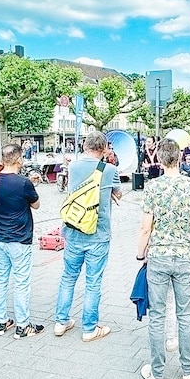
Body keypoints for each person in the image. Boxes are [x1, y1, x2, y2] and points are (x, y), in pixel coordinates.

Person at [136, 138, 190, 379]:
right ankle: (188, 369)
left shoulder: (152, 187)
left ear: (160, 158)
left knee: (157, 315)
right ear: (179, 158)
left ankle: (157, 373)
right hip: (183, 255)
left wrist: (140, 253)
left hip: (158, 255)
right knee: (185, 314)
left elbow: (146, 228)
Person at [55, 131, 122, 342]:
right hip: (98, 234)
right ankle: (89, 328)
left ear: (84, 147)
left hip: (74, 230)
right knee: (93, 282)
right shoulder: (110, 170)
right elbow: (118, 193)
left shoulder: (73, 166)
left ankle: (61, 322)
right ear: (104, 149)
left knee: (68, 277)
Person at [0, 144, 44, 339]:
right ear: (19, 159)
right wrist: (33, 186)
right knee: (21, 282)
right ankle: (22, 325)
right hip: (19, 239)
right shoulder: (23, 183)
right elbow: (36, 205)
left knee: (0, 279)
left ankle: (1, 321)